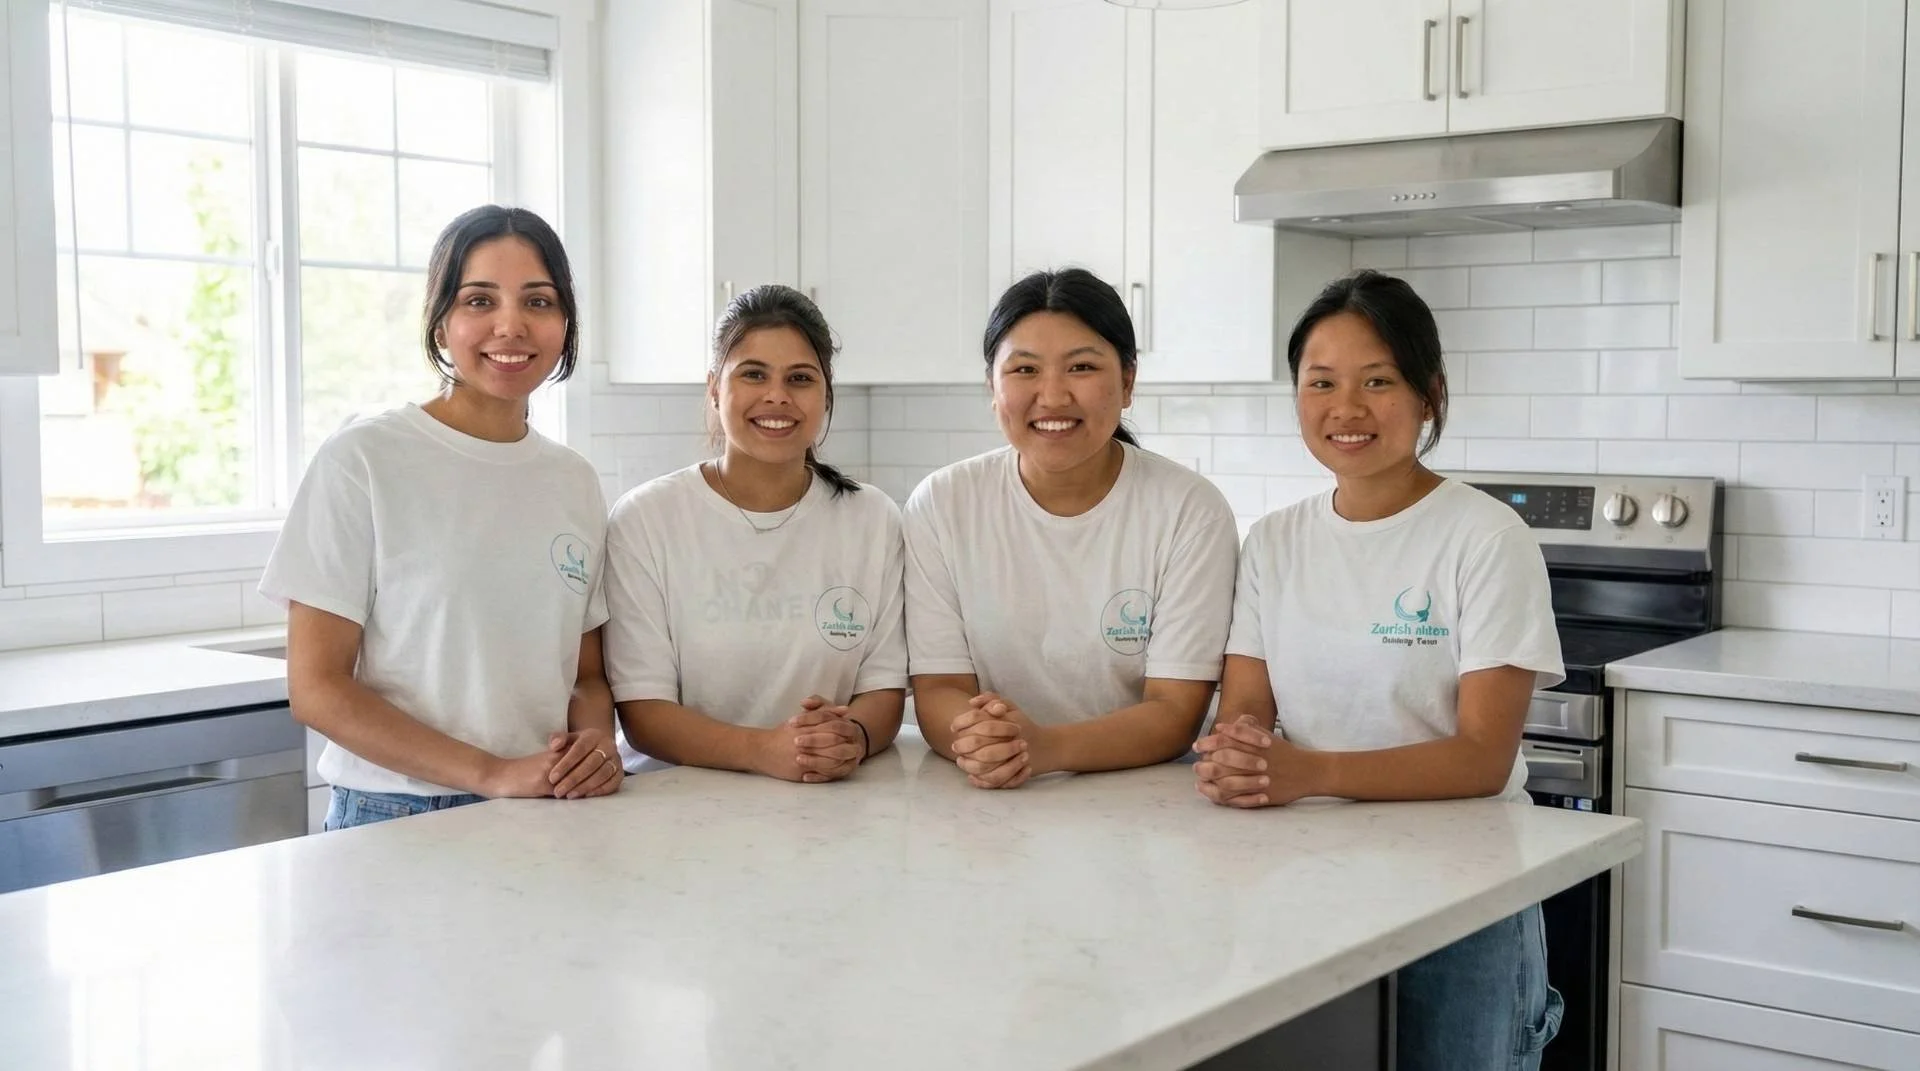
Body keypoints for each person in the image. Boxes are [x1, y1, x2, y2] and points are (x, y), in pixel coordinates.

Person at [1193, 269, 1565, 1069]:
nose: (1346, 408)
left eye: (1377, 381)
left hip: (1464, 897)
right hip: (1307, 885)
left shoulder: (1485, 537)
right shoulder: (1273, 542)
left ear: (1428, 395)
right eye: (1320, 383)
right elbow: (1244, 711)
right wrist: (1239, 754)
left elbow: (1480, 756)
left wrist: (1302, 771)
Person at [261, 205, 621, 830]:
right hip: (396, 816)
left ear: (565, 323)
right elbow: (316, 687)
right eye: (480, 301)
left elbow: (585, 675)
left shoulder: (573, 481)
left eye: (538, 302)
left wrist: (595, 747)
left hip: (546, 812)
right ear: (440, 322)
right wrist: (492, 773)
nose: (511, 326)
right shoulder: (365, 458)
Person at [905, 268, 1238, 789]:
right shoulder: (943, 504)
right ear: (992, 388)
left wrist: (1044, 749)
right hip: (989, 806)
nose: (1053, 397)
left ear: (1127, 383)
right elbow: (939, 688)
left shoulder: (1189, 511)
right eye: (1025, 370)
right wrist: (985, 741)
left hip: (1142, 803)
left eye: (1081, 367)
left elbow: (1175, 711)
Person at [603, 284, 905, 781]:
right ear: (714, 388)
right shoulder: (646, 519)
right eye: (754, 374)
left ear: (826, 394)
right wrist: (764, 750)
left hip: (826, 806)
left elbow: (884, 691)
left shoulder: (873, 519)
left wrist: (851, 738)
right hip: (671, 809)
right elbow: (644, 715)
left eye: (801, 378)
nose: (777, 396)